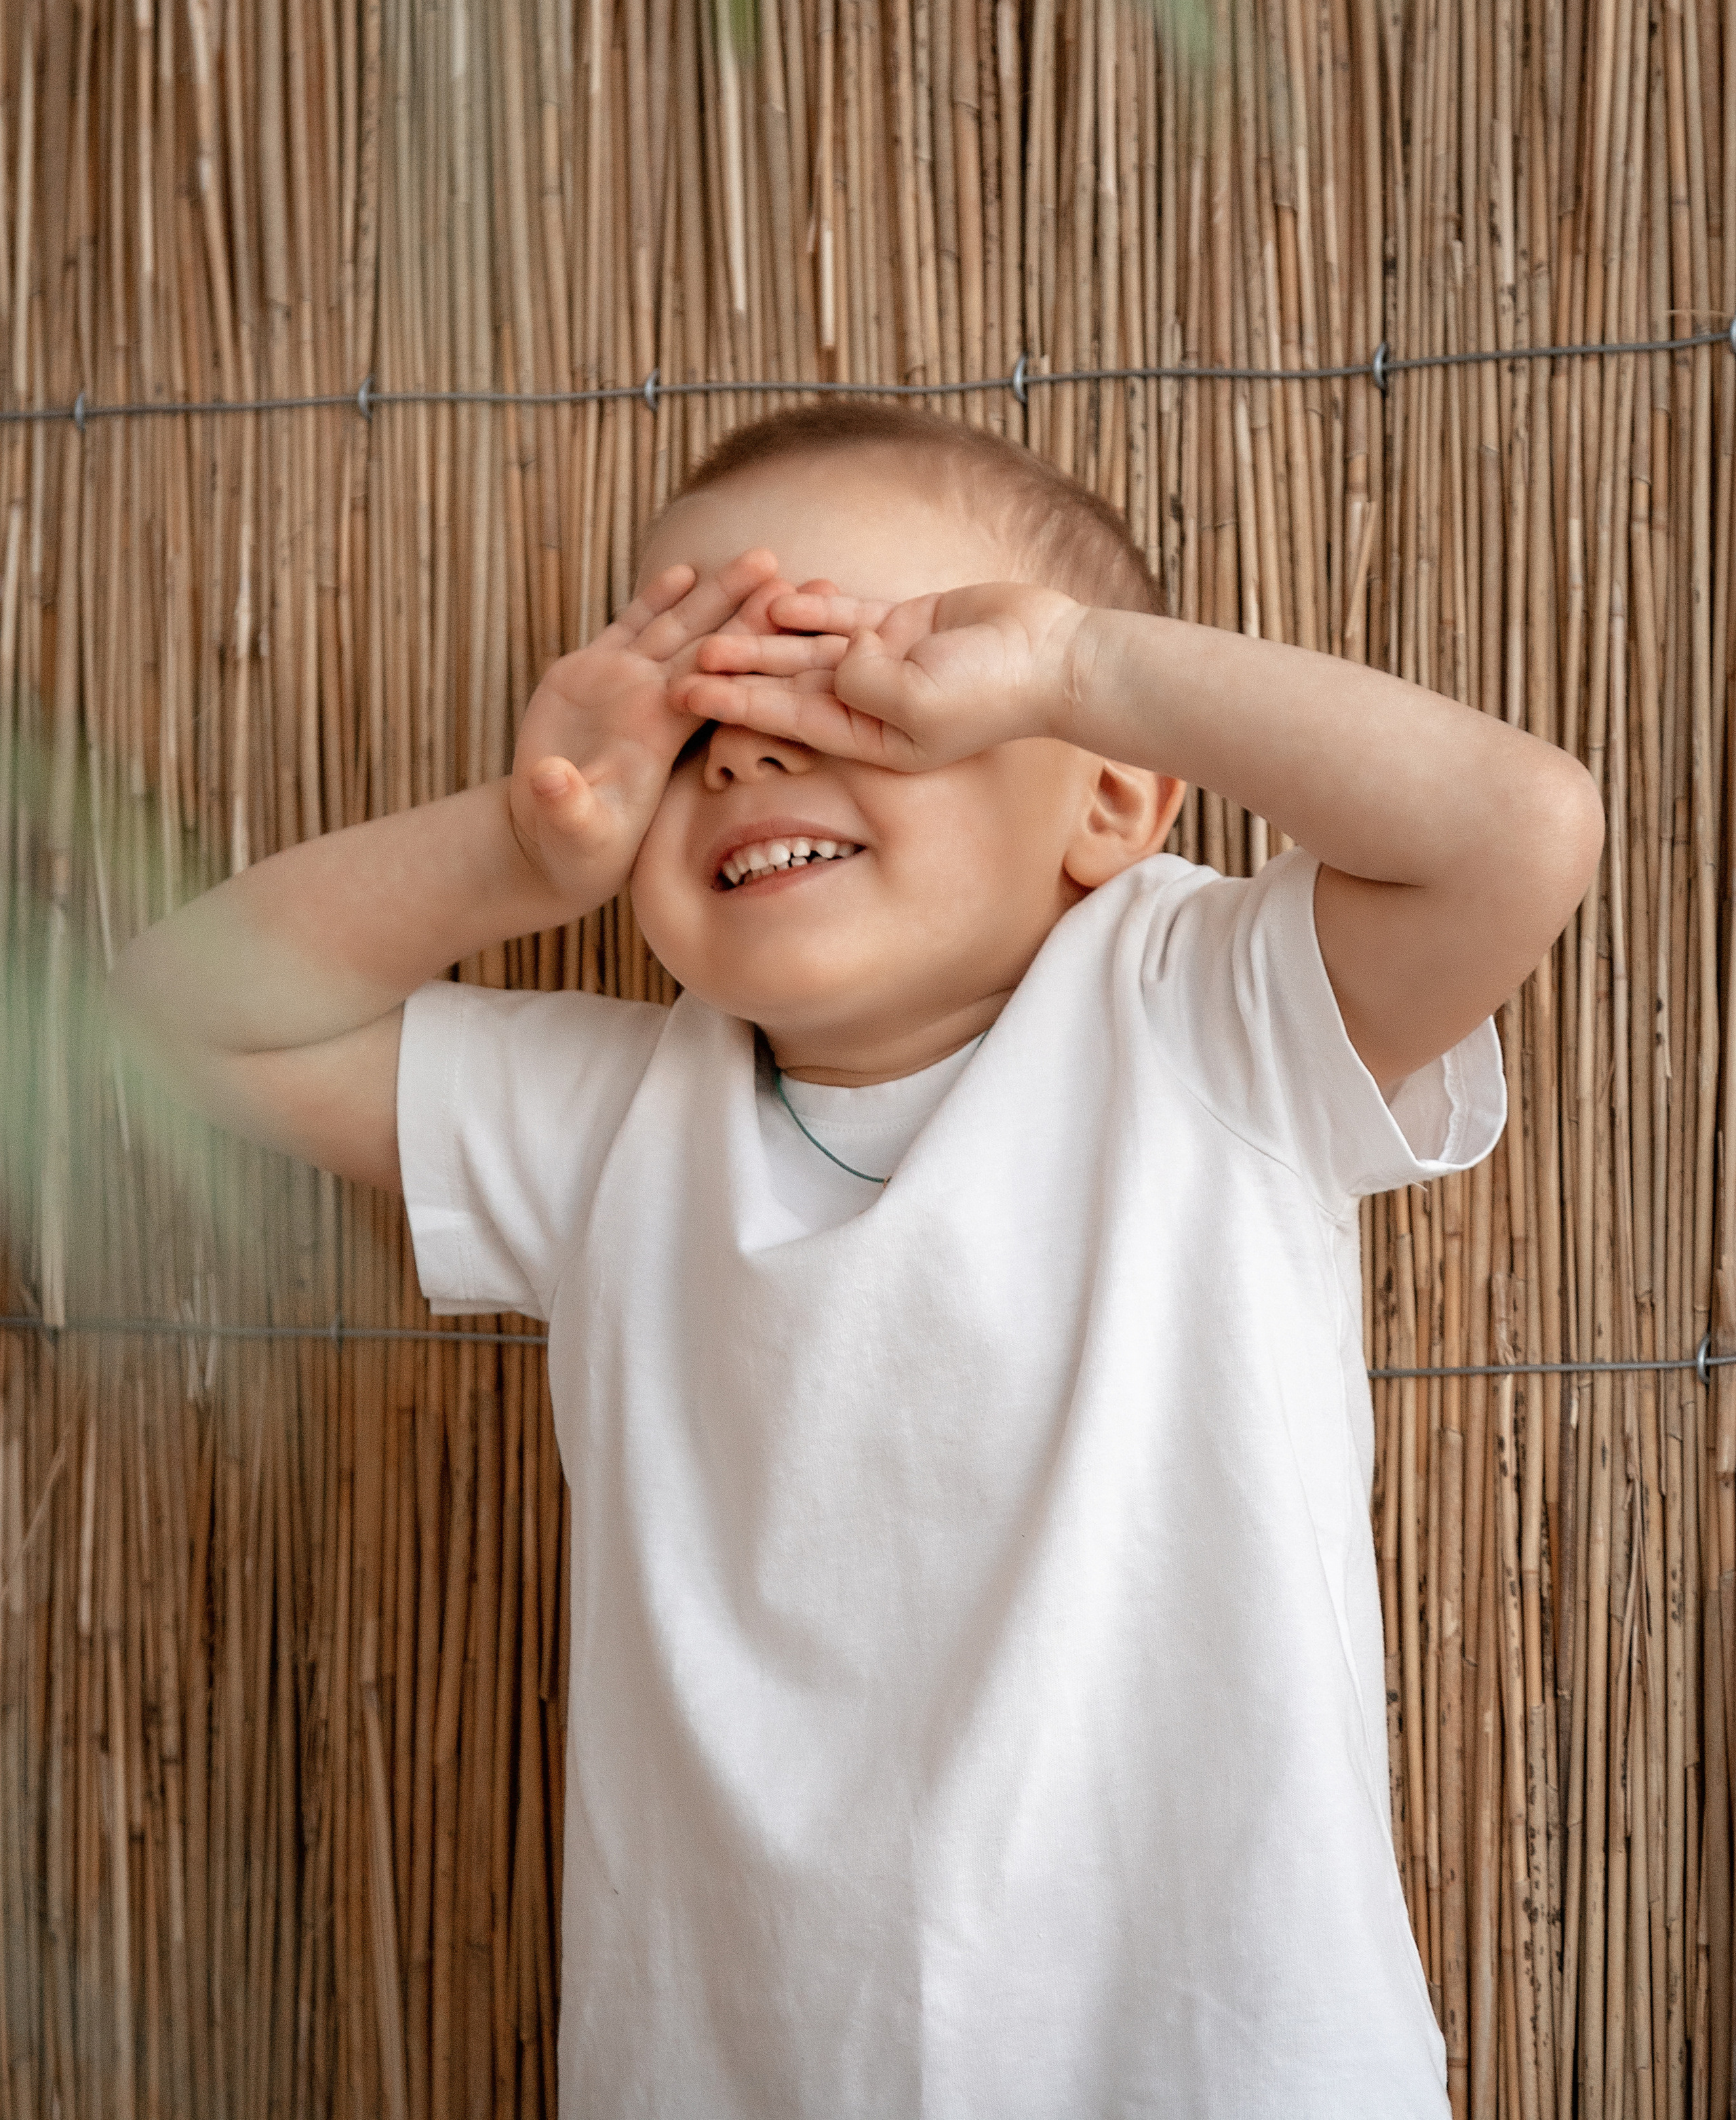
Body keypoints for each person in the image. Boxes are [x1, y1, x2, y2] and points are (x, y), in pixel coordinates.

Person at [109, 403, 1603, 2119]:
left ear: (1108, 794)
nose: (743, 750)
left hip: (1215, 2061)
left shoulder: (1203, 1017)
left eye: (851, 680)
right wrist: (522, 845)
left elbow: (1520, 828)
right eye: (692, 716)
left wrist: (1070, 658)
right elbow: (179, 1023)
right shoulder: (607, 1122)